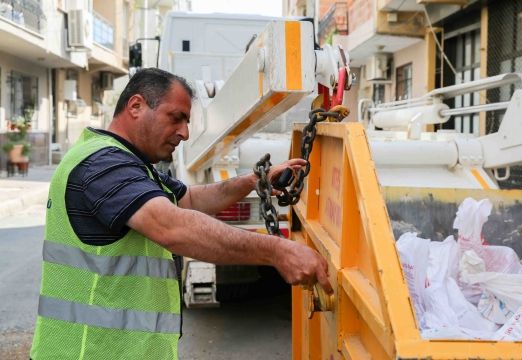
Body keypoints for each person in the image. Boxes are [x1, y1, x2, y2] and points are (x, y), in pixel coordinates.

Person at [30, 68, 332, 359]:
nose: (185, 133)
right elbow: (174, 227)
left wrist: (253, 181)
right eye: (176, 118)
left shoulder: (132, 165)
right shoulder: (103, 165)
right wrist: (277, 251)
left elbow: (189, 199)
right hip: (89, 352)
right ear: (136, 106)